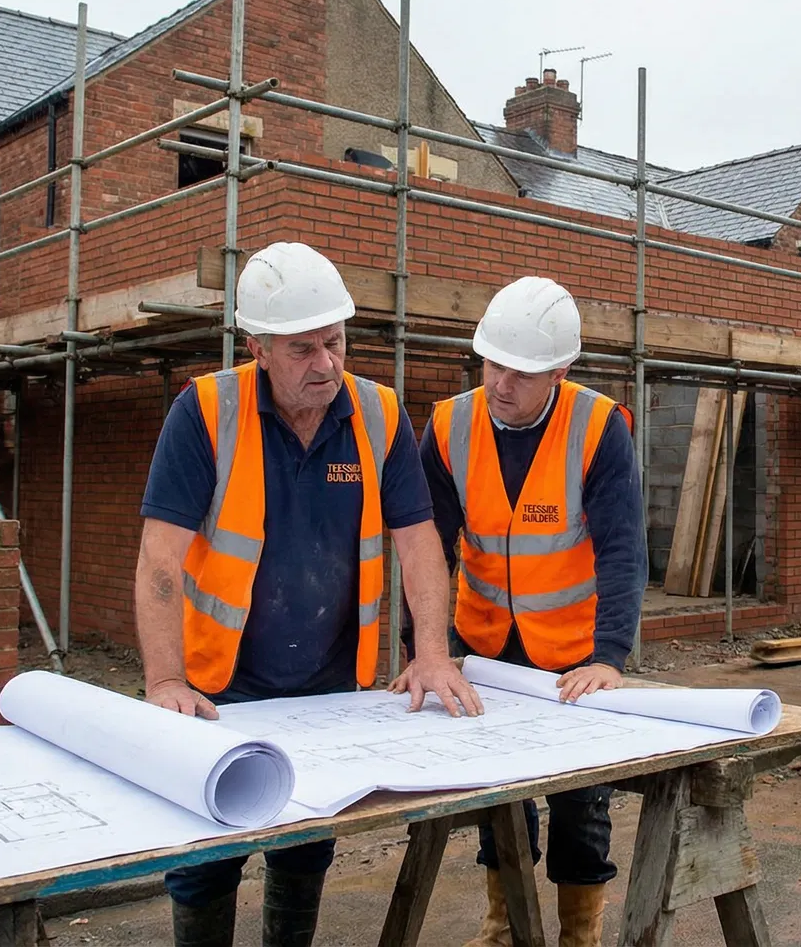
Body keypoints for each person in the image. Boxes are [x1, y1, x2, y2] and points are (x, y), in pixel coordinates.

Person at [136, 241, 483, 947]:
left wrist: (434, 655)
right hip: (216, 689)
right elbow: (160, 559)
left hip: (328, 689)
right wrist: (165, 679)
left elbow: (419, 541)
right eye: (302, 349)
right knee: (206, 860)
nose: (326, 363)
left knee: (305, 847)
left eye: (335, 341)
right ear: (257, 347)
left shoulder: (379, 414)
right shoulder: (205, 412)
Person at [408, 276, 644, 947]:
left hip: (575, 653)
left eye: (521, 371)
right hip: (484, 644)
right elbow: (424, 547)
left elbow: (623, 548)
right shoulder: (451, 425)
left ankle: (579, 934)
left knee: (580, 803)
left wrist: (609, 656)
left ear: (560, 372)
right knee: (499, 790)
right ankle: (504, 922)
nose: (502, 384)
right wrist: (425, 648)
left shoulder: (598, 426)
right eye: (492, 364)